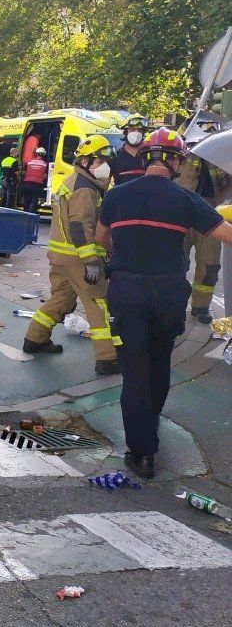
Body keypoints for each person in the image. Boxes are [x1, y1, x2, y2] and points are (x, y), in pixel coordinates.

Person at [95, 129, 232, 478]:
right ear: (176, 162)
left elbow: (100, 239)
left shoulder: (116, 196)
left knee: (134, 369)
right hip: (168, 293)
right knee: (159, 360)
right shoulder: (185, 200)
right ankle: (151, 419)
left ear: (145, 158)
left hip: (127, 291)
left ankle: (141, 453)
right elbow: (225, 234)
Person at [23, 134, 119, 375]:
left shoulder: (73, 181)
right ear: (85, 162)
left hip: (59, 255)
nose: (104, 167)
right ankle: (108, 359)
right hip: (78, 258)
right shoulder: (85, 189)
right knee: (98, 304)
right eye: (99, 161)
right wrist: (91, 261)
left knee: (62, 300)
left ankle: (35, 339)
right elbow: (79, 226)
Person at [175, 123, 229, 324]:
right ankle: (177, 303)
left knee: (210, 264)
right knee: (177, 262)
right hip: (182, 213)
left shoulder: (220, 158)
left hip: (210, 214)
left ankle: (201, 306)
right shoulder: (181, 155)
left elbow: (226, 186)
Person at [109, 115, 148, 186]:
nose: (136, 133)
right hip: (122, 196)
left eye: (140, 130)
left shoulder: (148, 155)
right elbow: (105, 184)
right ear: (125, 132)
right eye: (132, 130)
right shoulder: (115, 156)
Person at [20, 147, 49, 214]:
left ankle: (25, 213)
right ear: (44, 155)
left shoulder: (29, 162)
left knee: (27, 199)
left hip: (27, 183)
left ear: (36, 154)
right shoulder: (45, 164)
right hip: (37, 184)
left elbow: (23, 172)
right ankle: (31, 214)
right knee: (34, 200)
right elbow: (45, 176)